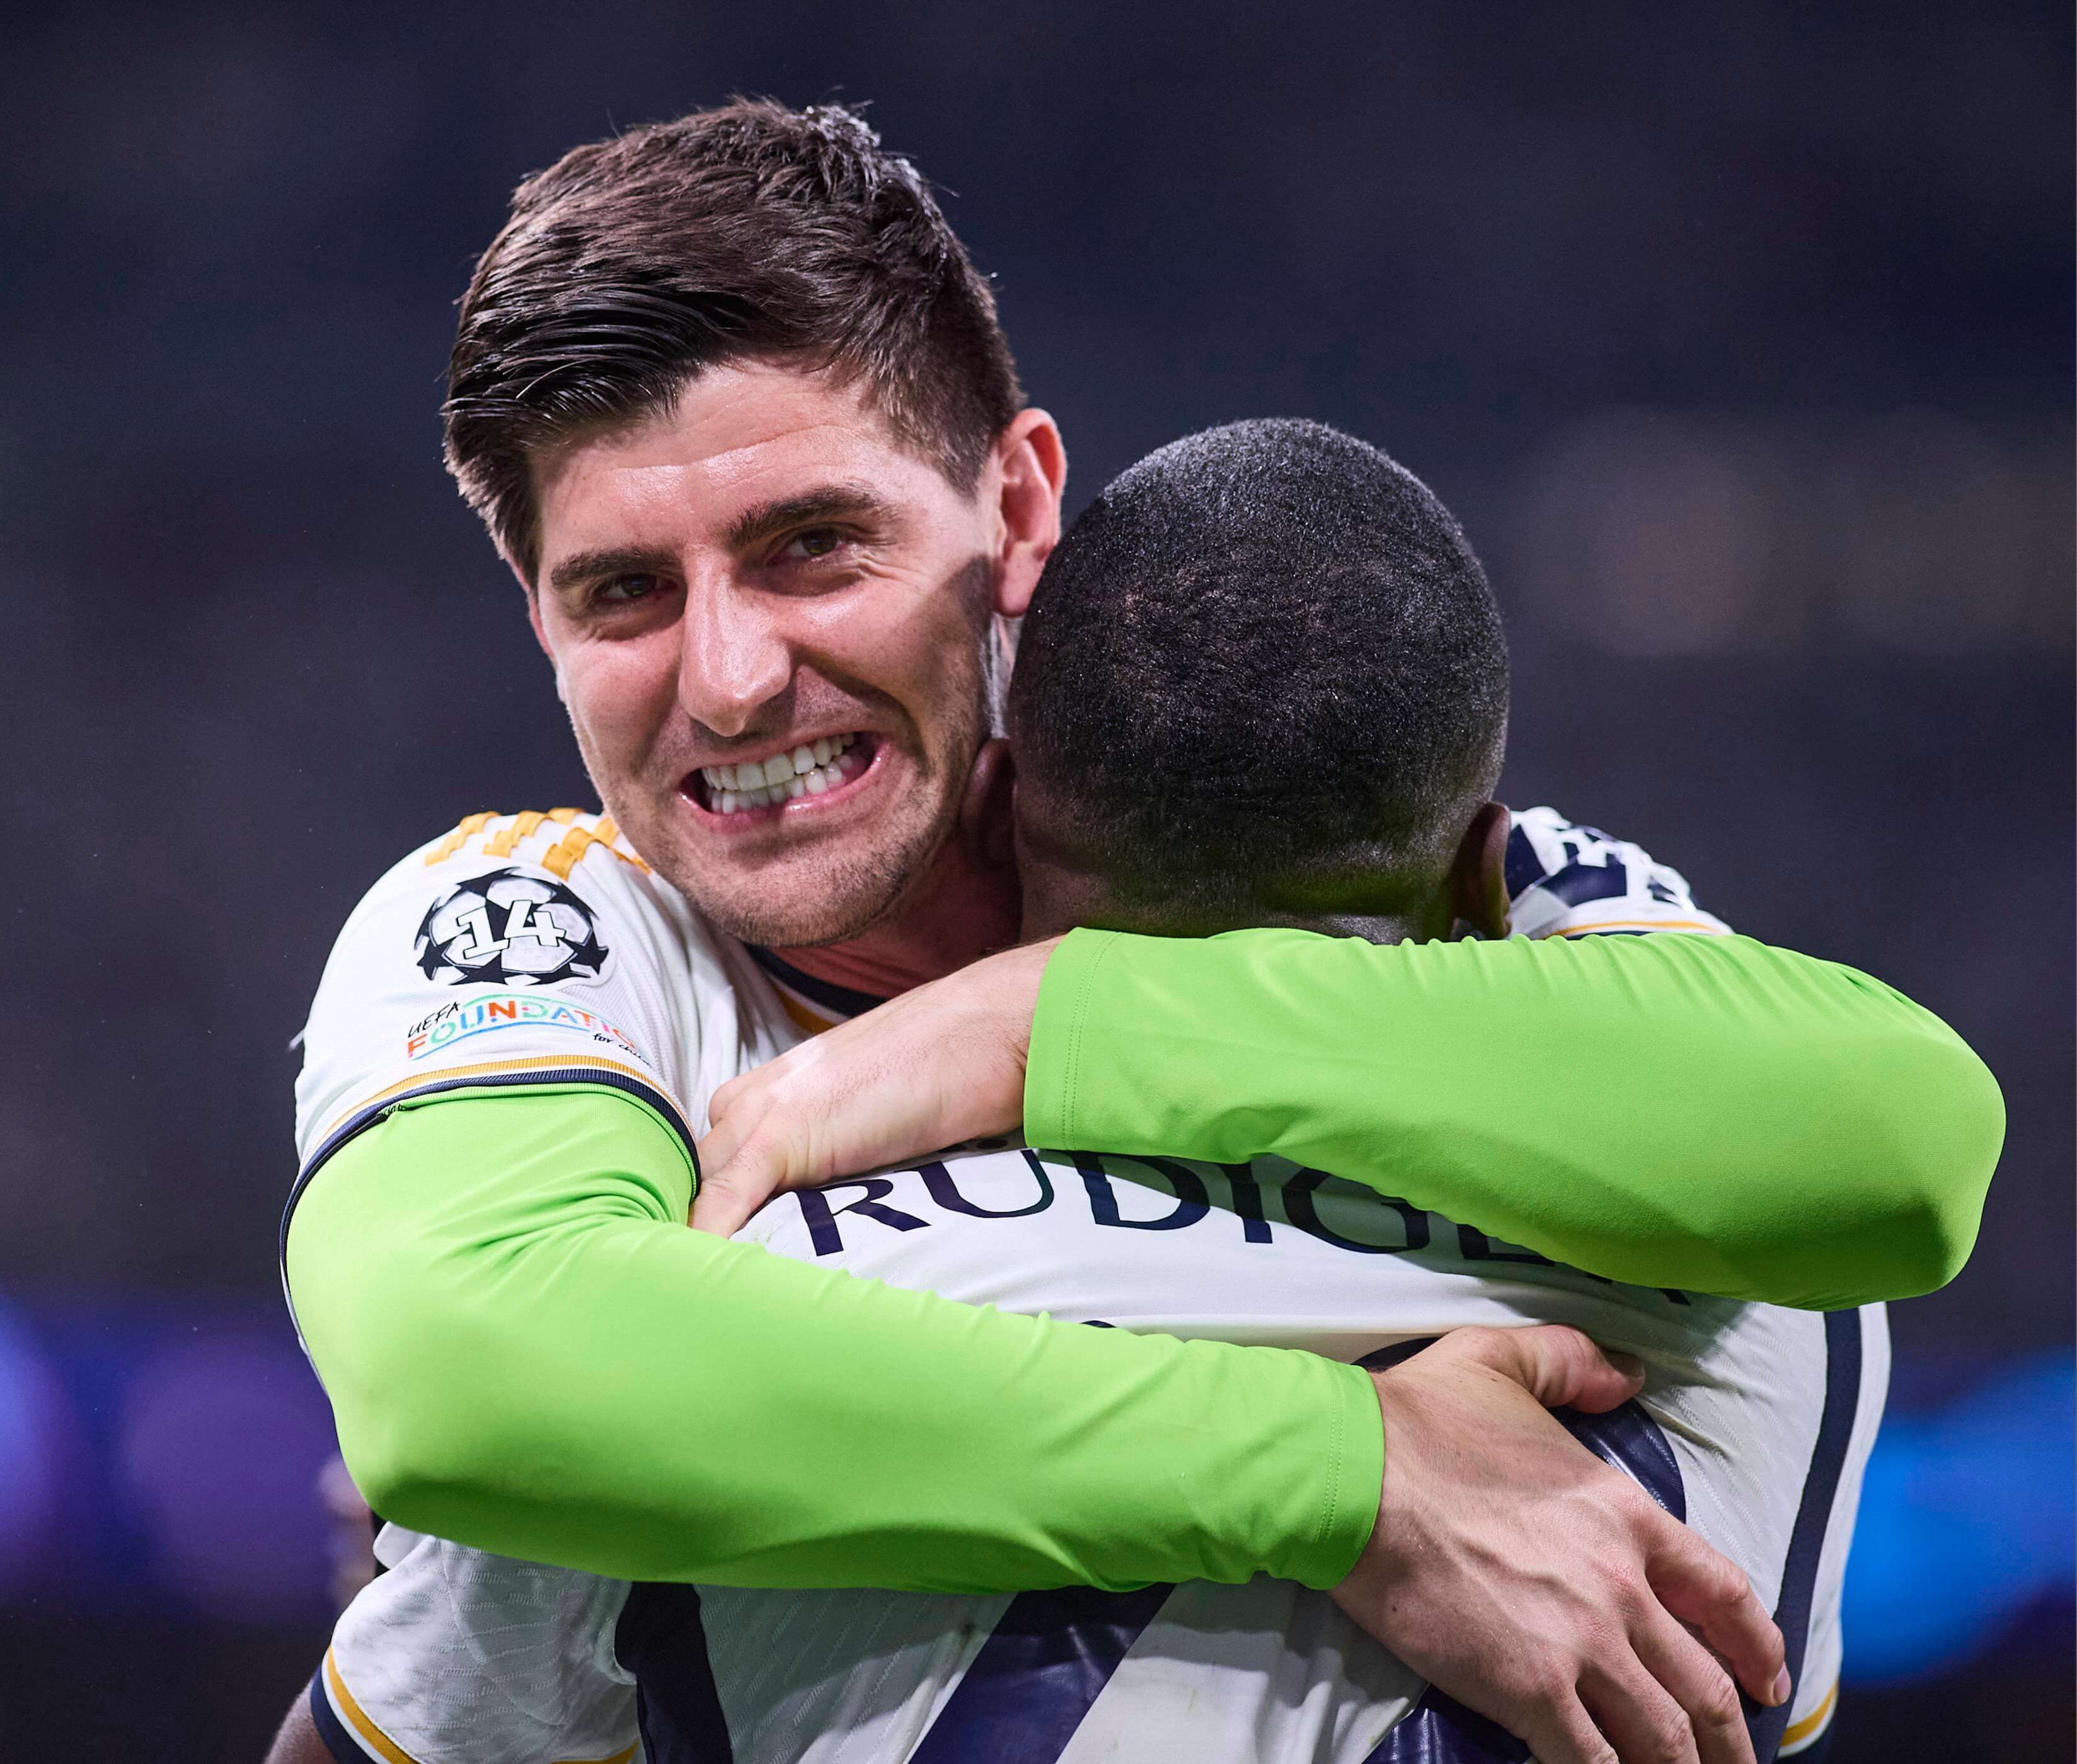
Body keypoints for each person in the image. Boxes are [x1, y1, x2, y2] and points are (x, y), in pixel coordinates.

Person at [280, 101, 1999, 1762]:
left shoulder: (1358, 842)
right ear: (537, 617)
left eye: (814, 546)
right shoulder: (552, 929)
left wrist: (1046, 1026)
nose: (729, 681)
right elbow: (470, 1377)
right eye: (624, 593)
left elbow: (1892, 1140)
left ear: (1019, 507)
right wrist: (1350, 1473)